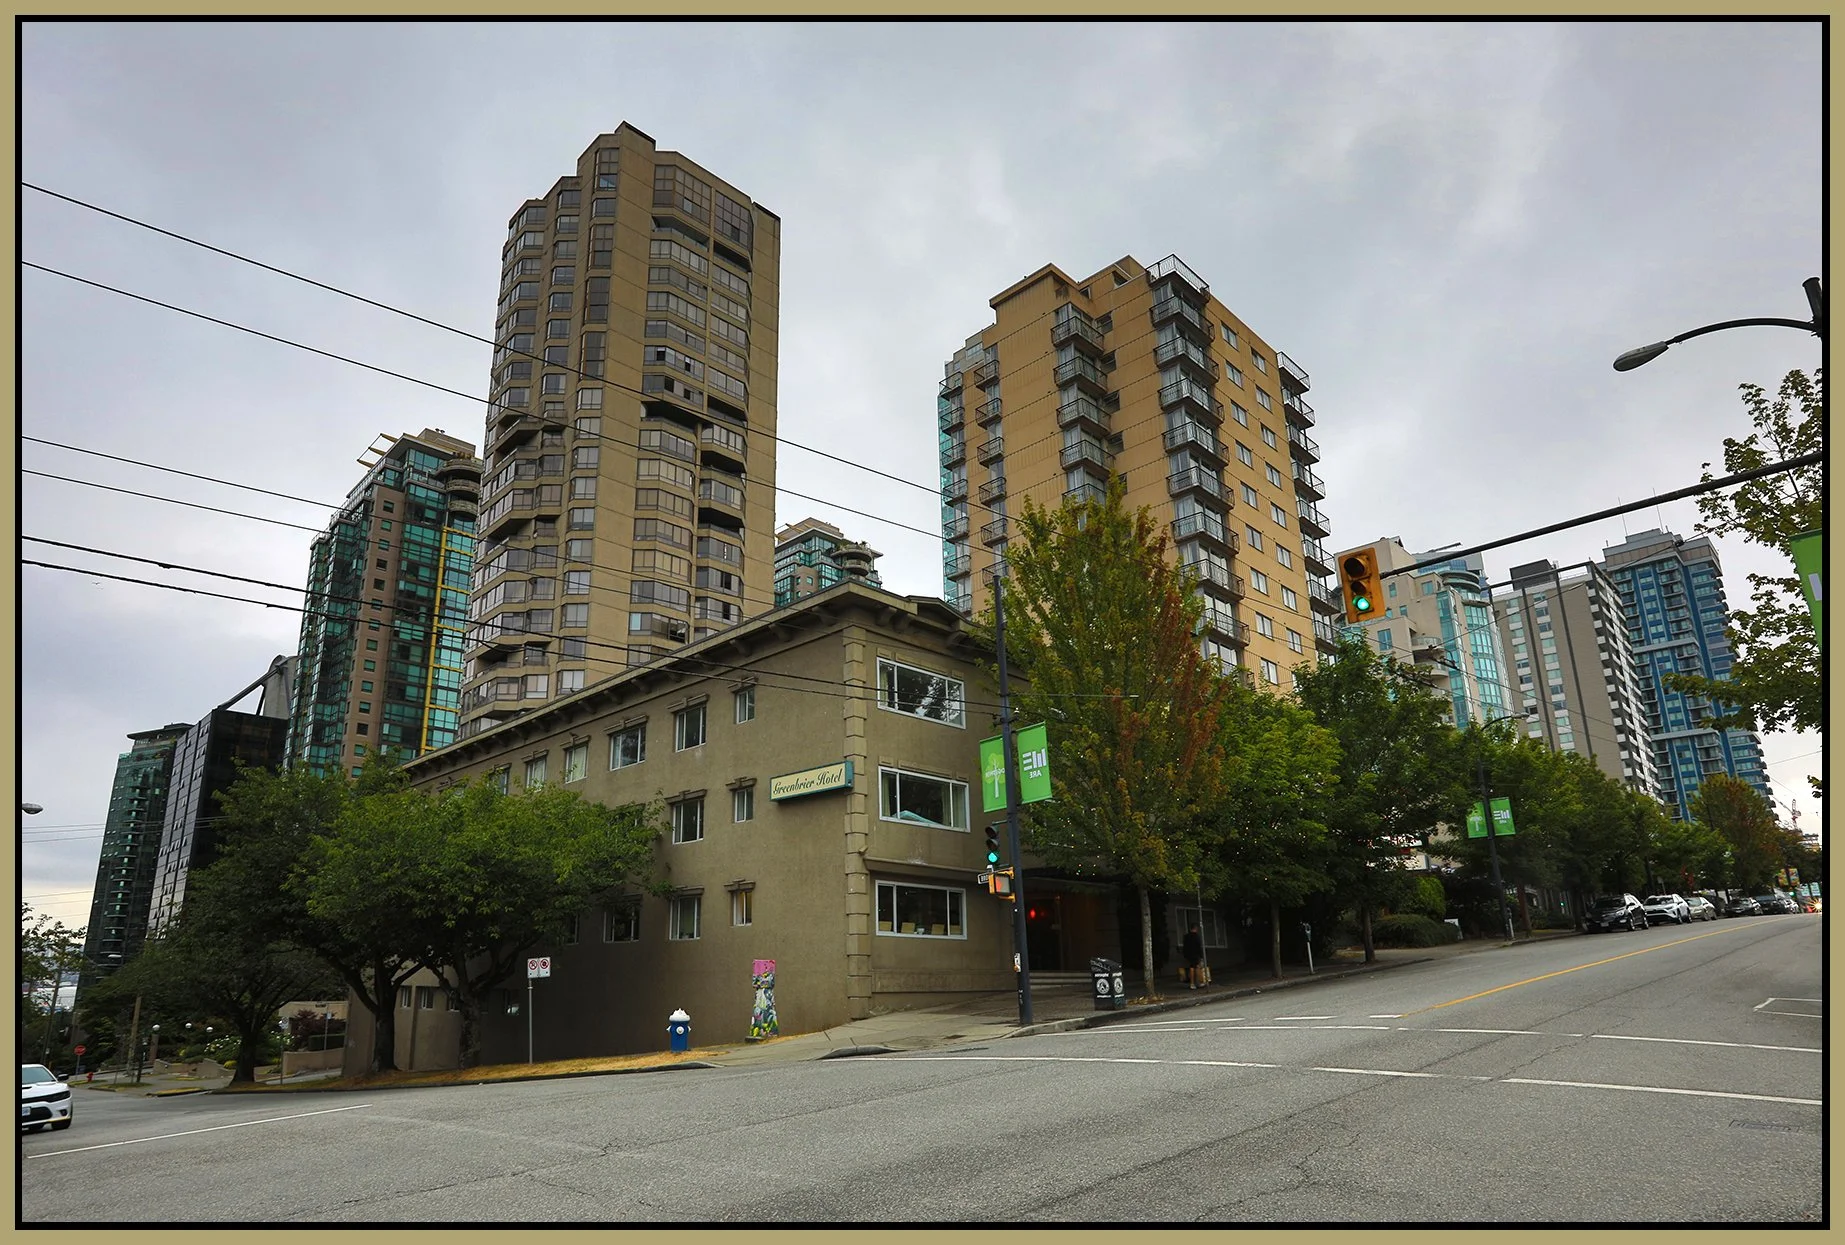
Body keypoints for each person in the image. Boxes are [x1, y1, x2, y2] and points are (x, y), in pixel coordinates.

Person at [1182, 924, 1205, 990]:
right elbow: (1198, 946)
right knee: (1196, 967)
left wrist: (1185, 954)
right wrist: (1201, 956)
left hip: (1188, 954)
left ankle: (1193, 983)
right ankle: (1196, 983)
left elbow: (1185, 946)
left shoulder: (1186, 936)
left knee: (1192, 967)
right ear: (1196, 929)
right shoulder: (1196, 937)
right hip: (1195, 954)